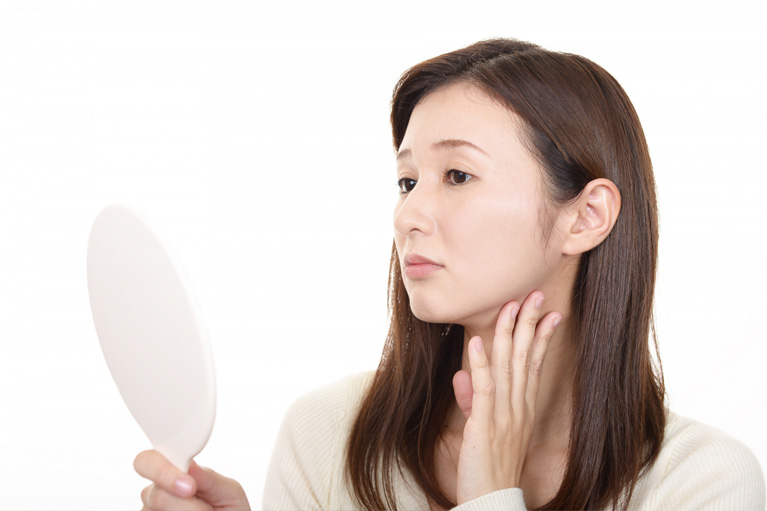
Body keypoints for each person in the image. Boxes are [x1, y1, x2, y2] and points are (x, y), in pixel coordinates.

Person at [134, 38, 765, 510]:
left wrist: (491, 494)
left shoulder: (701, 483)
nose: (408, 215)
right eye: (407, 181)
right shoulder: (328, 434)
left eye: (457, 175)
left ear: (586, 217)